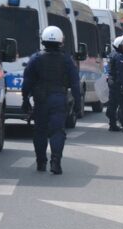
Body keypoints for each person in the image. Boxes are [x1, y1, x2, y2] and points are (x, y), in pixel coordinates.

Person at [21, 26, 81, 175]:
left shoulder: (35, 58)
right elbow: (75, 84)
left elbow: (27, 81)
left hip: (41, 100)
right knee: (57, 132)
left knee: (40, 132)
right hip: (59, 99)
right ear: (61, 41)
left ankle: (41, 162)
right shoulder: (67, 60)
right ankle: (56, 162)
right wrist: (78, 104)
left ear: (43, 40)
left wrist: (25, 99)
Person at [106, 36, 123, 133]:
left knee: (113, 104)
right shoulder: (119, 57)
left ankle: (112, 124)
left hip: (112, 82)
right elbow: (121, 73)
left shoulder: (112, 54)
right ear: (119, 46)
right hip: (118, 83)